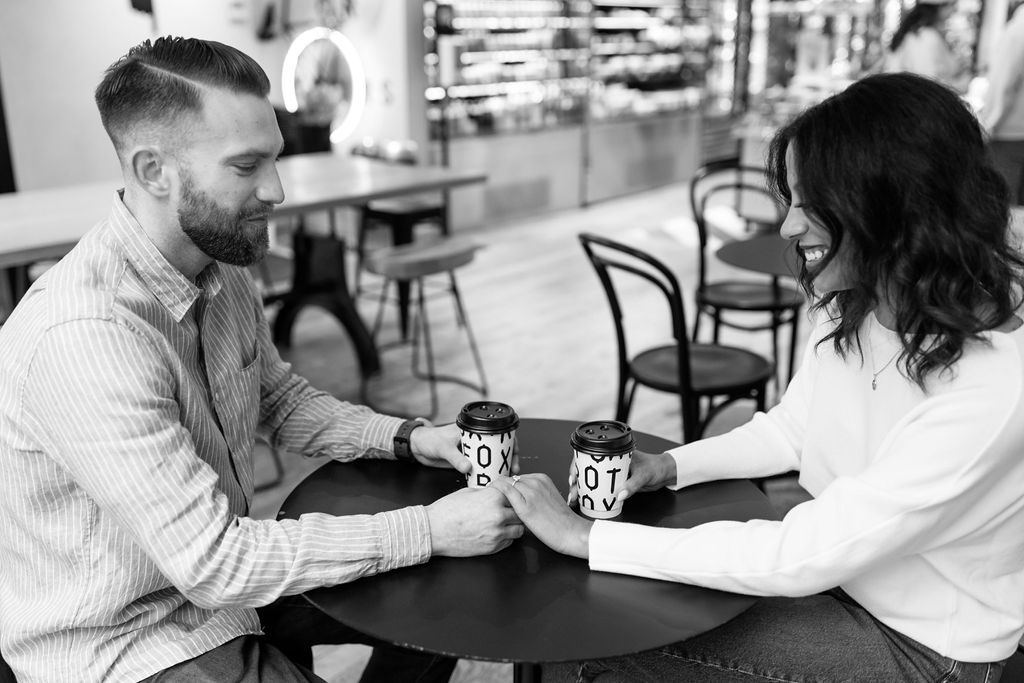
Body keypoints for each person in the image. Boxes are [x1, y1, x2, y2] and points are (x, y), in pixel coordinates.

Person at [0, 36, 524, 683]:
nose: (276, 189)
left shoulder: (218, 263)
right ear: (152, 171)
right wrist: (427, 528)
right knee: (435, 546)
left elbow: (278, 399)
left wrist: (412, 438)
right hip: (127, 640)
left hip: (220, 589)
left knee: (450, 591)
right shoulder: (84, 336)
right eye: (247, 166)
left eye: (275, 158)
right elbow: (216, 560)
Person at [491, 73, 1024, 682]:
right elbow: (793, 430)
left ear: (893, 204)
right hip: (847, 587)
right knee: (607, 600)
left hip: (925, 649)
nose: (789, 227)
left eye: (809, 201)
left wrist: (586, 538)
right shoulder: (868, 307)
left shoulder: (993, 391)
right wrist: (671, 466)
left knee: (590, 630)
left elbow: (803, 552)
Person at [981, 0, 1024, 204]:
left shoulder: (1019, 28)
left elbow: (1005, 84)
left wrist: (989, 125)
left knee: (1005, 204)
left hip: (1010, 131)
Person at [884, 0, 968, 90]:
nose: (954, 10)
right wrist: (961, 84)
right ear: (939, 8)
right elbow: (927, 83)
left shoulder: (920, 34)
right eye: (952, 5)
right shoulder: (925, 36)